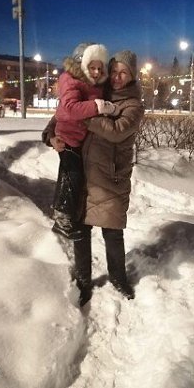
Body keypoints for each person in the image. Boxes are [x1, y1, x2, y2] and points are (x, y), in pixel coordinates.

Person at [44, 50, 144, 306]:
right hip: (85, 174)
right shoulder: (96, 91)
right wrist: (51, 136)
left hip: (112, 177)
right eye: (115, 71)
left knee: (113, 232)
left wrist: (85, 114)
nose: (118, 77)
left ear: (132, 76)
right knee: (81, 231)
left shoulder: (133, 105)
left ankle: (119, 279)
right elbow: (62, 113)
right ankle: (83, 282)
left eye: (124, 73)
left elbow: (117, 130)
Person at [51, 42, 112, 241]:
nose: (96, 72)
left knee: (74, 177)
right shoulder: (71, 80)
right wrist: (98, 106)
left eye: (100, 68)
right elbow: (71, 108)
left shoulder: (92, 83)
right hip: (68, 137)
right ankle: (61, 219)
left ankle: (68, 217)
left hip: (79, 139)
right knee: (71, 177)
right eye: (92, 67)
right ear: (82, 65)